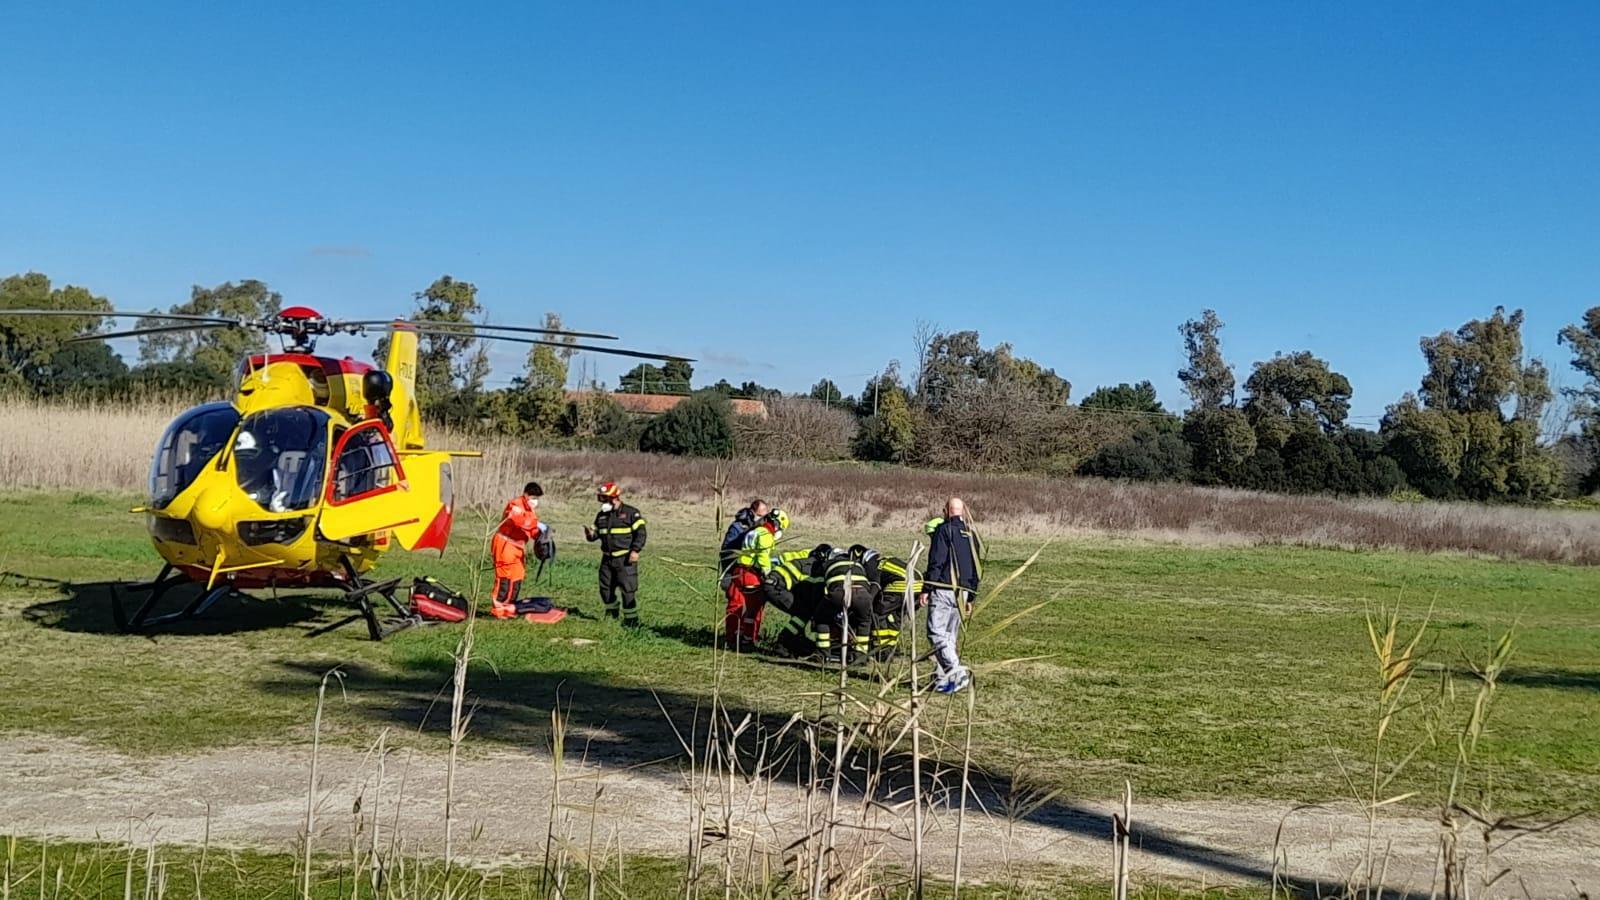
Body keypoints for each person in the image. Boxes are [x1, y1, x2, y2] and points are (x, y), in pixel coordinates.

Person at [919, 497, 984, 693]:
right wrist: (971, 596)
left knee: (936, 633)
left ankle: (957, 673)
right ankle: (942, 679)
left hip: (943, 588)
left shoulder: (944, 530)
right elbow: (976, 567)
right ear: (962, 512)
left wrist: (927, 588)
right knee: (949, 637)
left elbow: (936, 561)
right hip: (963, 592)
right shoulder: (972, 535)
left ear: (946, 511)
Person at [724, 508, 789, 651]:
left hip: (738, 571)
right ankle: (748, 640)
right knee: (754, 609)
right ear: (777, 525)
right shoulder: (766, 535)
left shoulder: (754, 531)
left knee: (735, 607)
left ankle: (732, 637)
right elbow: (763, 557)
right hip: (751, 575)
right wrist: (768, 574)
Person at [583, 481, 647, 625]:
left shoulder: (631, 513)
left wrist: (635, 550)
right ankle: (612, 615)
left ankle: (631, 622)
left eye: (605, 498)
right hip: (607, 559)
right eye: (601, 498)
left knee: (627, 590)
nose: (602, 502)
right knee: (605, 589)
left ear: (614, 498)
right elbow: (595, 534)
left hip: (625, 560)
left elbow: (641, 533)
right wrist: (589, 535)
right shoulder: (601, 516)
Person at [491, 482, 544, 617]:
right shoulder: (515, 505)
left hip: (518, 546)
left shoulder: (530, 511)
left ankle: (509, 607)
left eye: (537, 498)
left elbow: (532, 530)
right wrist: (537, 524)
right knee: (504, 576)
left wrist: (541, 536)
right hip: (505, 543)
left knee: (517, 577)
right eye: (533, 497)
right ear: (526, 494)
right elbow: (520, 521)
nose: (535, 501)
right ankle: (499, 608)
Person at [719, 498, 770, 585]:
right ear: (752, 513)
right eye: (760, 516)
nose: (762, 520)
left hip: (750, 571)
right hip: (734, 571)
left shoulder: (761, 530)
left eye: (764, 517)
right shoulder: (737, 527)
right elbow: (725, 552)